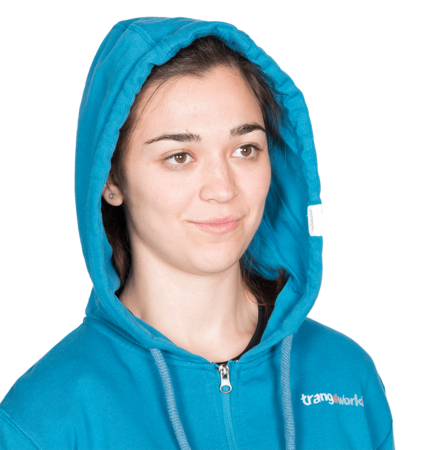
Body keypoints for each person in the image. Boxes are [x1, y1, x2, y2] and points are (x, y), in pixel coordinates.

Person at [0, 17, 394, 450]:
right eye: (180, 156)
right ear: (110, 179)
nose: (223, 189)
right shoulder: (44, 420)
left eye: (245, 149)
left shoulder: (346, 377)